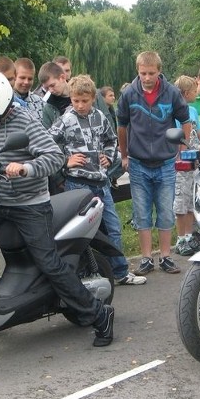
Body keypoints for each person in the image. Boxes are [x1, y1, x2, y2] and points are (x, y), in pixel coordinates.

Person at [0, 68, 114, 346]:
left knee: (49, 263)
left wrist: (27, 168)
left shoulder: (25, 122)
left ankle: (99, 313)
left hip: (29, 205)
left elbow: (54, 157)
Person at [49, 75, 146, 286]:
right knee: (81, 233)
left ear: (93, 98)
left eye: (84, 100)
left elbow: (111, 140)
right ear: (71, 99)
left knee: (113, 227)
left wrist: (109, 156)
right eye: (75, 100)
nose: (80, 105)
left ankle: (120, 271)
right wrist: (66, 161)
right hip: (77, 184)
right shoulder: (65, 120)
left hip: (101, 184)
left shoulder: (101, 117)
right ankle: (86, 273)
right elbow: (47, 144)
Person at [117, 51, 191, 275]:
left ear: (159, 71)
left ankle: (166, 256)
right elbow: (121, 125)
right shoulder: (129, 94)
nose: (146, 78)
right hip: (139, 162)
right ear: (137, 72)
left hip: (166, 161)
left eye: (151, 73)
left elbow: (185, 119)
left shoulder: (171, 93)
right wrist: (124, 155)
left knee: (166, 211)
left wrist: (182, 147)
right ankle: (147, 258)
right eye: (142, 74)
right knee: (141, 213)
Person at [172, 75, 200, 257]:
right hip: (181, 163)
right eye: (193, 91)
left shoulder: (193, 111)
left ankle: (191, 235)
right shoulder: (175, 112)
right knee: (181, 200)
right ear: (185, 93)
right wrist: (178, 155)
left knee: (193, 198)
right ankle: (181, 237)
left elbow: (199, 133)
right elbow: (176, 136)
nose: (196, 94)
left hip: (195, 161)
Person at [13, 57, 45, 122]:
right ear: (14, 77)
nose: (26, 82)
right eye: (22, 78)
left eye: (30, 79)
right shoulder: (5, 102)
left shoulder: (41, 103)